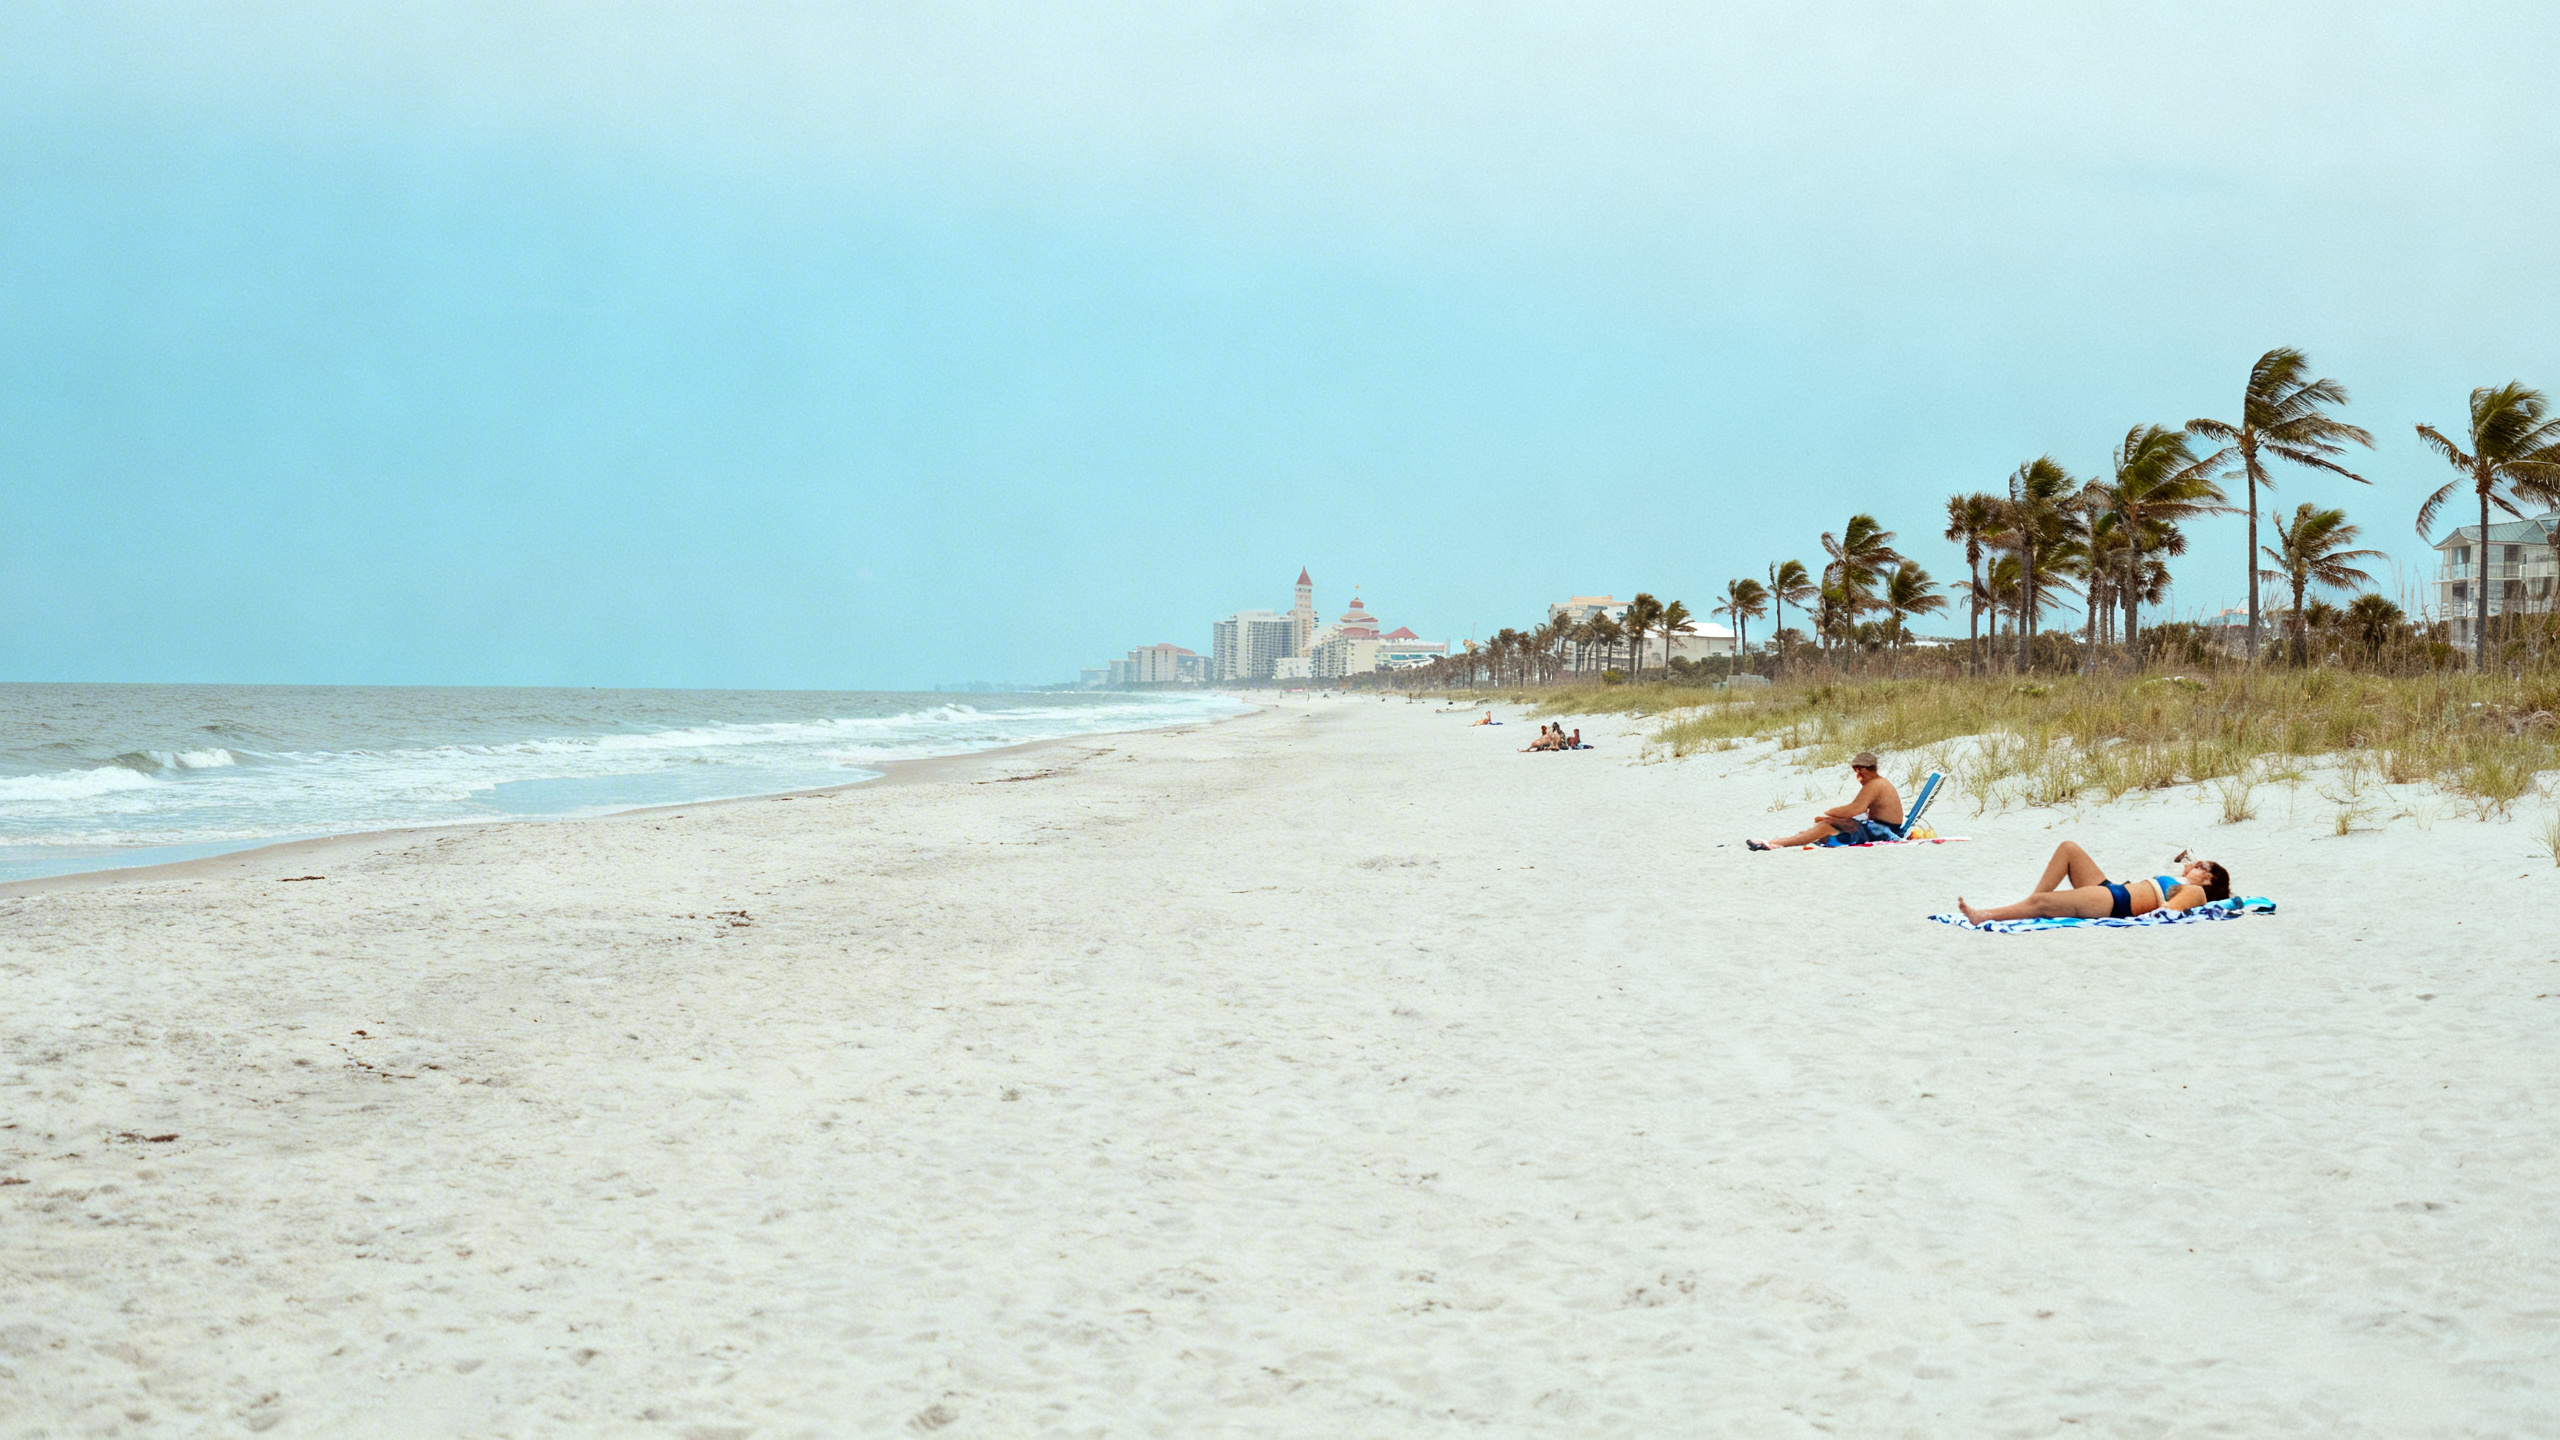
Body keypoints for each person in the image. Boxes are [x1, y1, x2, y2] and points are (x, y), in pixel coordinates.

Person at [1956, 841, 2231, 923]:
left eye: (2201, 865)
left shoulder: (2196, 891)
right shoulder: (2184, 878)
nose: (2195, 863)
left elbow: (2167, 912)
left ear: (2209, 878)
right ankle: (2033, 906)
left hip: (2118, 902)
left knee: (2045, 902)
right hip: (2112, 889)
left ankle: (1984, 916)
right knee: (2068, 849)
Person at [1747, 752, 1904, 849]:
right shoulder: (1878, 783)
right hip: (1879, 827)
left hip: (1882, 832)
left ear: (1871, 770)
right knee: (1828, 824)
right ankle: (1784, 840)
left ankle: (1779, 843)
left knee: (1827, 826)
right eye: (1856, 773)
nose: (1859, 777)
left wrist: (1831, 813)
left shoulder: (1875, 785)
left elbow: (1855, 809)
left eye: (1861, 772)